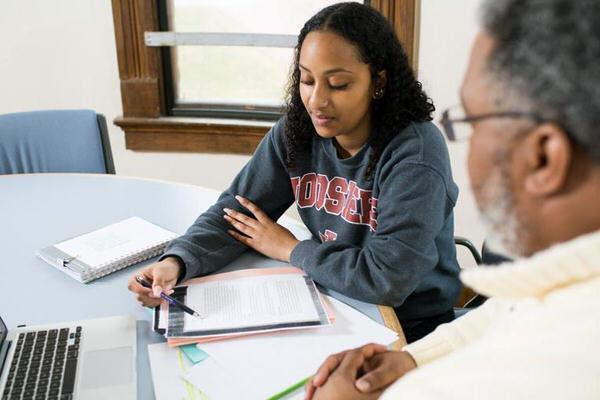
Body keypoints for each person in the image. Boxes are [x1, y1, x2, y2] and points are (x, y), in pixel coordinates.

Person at [305, 0, 600, 399]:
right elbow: (508, 310)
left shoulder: (556, 365)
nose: (318, 100)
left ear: (545, 156)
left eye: (472, 123)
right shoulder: (566, 279)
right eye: (307, 80)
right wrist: (413, 359)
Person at [128, 2, 461, 342]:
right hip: (334, 301)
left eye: (338, 84)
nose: (316, 100)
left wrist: (290, 249)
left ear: (378, 82)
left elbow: (387, 281)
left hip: (411, 327)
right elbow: (236, 214)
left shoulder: (415, 155)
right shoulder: (297, 132)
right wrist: (175, 263)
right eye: (306, 79)